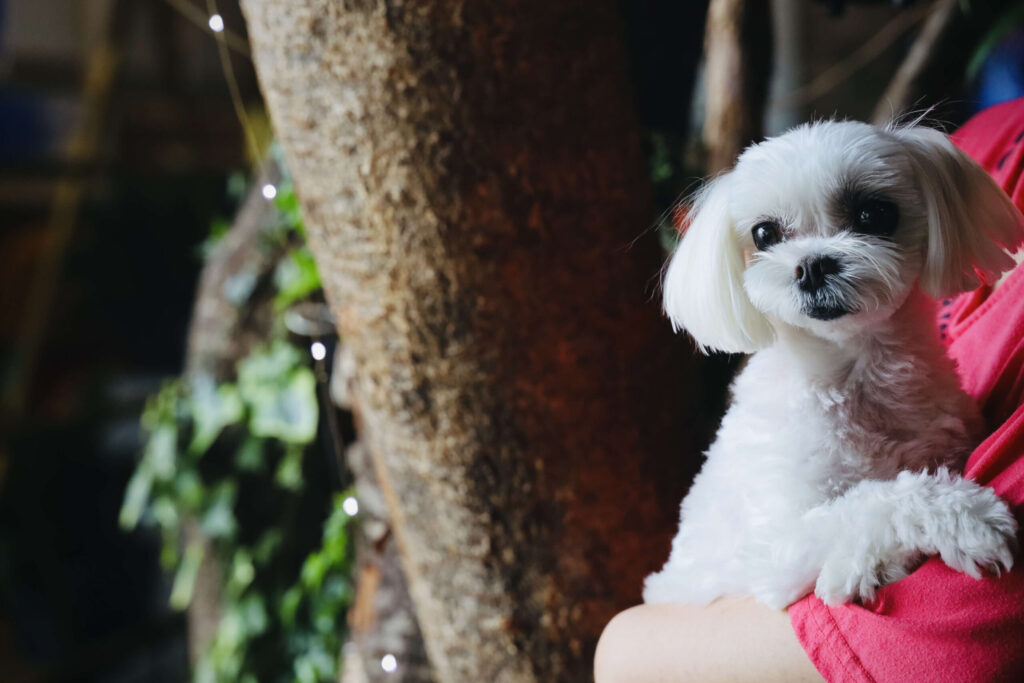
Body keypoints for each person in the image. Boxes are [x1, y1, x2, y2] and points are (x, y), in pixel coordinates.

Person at [594, 97, 1024, 683]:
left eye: (871, 217)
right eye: (769, 235)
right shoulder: (774, 431)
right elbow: (782, 573)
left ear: (935, 216)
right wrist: (910, 513)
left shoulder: (946, 403)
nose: (811, 263)